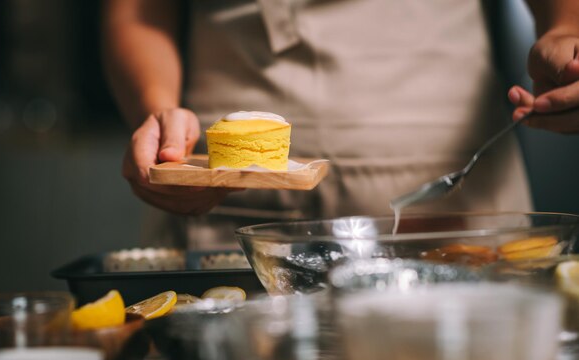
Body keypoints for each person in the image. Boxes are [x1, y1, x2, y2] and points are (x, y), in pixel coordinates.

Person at [102, 0, 579, 249]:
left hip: (451, 164)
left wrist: (565, 28)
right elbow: (137, 11)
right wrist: (158, 109)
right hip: (234, 191)